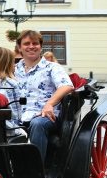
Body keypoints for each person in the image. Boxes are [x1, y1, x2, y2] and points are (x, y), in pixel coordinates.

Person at [14, 29, 74, 163]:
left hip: (44, 116)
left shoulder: (52, 67)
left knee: (37, 124)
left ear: (40, 47)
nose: (31, 47)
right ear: (19, 47)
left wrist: (49, 104)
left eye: (35, 43)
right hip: (17, 115)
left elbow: (67, 86)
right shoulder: (13, 69)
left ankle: (36, 172)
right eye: (26, 43)